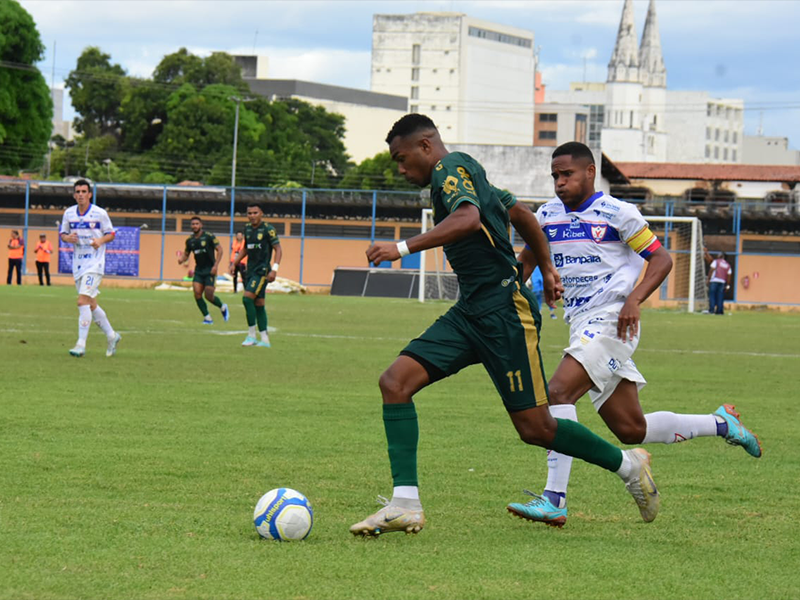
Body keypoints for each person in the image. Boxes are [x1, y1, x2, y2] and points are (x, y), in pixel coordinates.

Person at [350, 114, 661, 538]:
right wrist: (547, 267)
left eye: (402, 159)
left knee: (537, 428)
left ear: (426, 146)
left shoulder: (450, 168)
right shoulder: (467, 173)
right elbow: (522, 215)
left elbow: (467, 221)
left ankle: (628, 465)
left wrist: (401, 247)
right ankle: (405, 503)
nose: (401, 170)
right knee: (395, 382)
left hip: (504, 313)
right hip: (470, 312)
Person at [511, 142, 761, 528]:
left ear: (590, 172)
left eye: (567, 175)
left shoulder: (617, 212)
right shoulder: (546, 215)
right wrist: (513, 290)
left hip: (614, 320)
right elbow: (526, 261)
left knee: (558, 393)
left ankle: (554, 499)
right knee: (631, 428)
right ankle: (722, 423)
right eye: (555, 176)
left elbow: (661, 259)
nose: (560, 183)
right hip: (581, 325)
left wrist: (634, 300)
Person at [59, 179, 121, 358]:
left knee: (81, 301)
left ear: (90, 194)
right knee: (91, 304)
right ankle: (112, 335)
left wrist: (100, 241)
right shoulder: (69, 213)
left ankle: (81, 344)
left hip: (95, 264)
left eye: (83, 191)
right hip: (78, 264)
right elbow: (62, 234)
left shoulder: (99, 213)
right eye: (77, 191)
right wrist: (67, 238)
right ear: (74, 194)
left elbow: (111, 234)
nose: (80, 194)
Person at [230, 203, 282, 347]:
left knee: (247, 299)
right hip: (250, 270)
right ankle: (265, 339)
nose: (252, 216)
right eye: (249, 213)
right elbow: (246, 248)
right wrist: (235, 263)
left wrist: (274, 269)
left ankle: (251, 335)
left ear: (261, 213)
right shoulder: (247, 229)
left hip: (262, 270)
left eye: (255, 213)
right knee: (259, 304)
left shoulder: (268, 229)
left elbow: (278, 249)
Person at [178, 216, 229, 325]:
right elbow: (186, 254)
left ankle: (222, 307)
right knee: (197, 293)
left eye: (197, 224)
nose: (195, 226)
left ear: (201, 225)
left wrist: (216, 266)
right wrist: (181, 259)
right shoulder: (190, 240)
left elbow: (220, 250)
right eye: (193, 224)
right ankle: (207, 317)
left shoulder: (209, 236)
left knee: (209, 295)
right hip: (199, 270)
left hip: (210, 270)